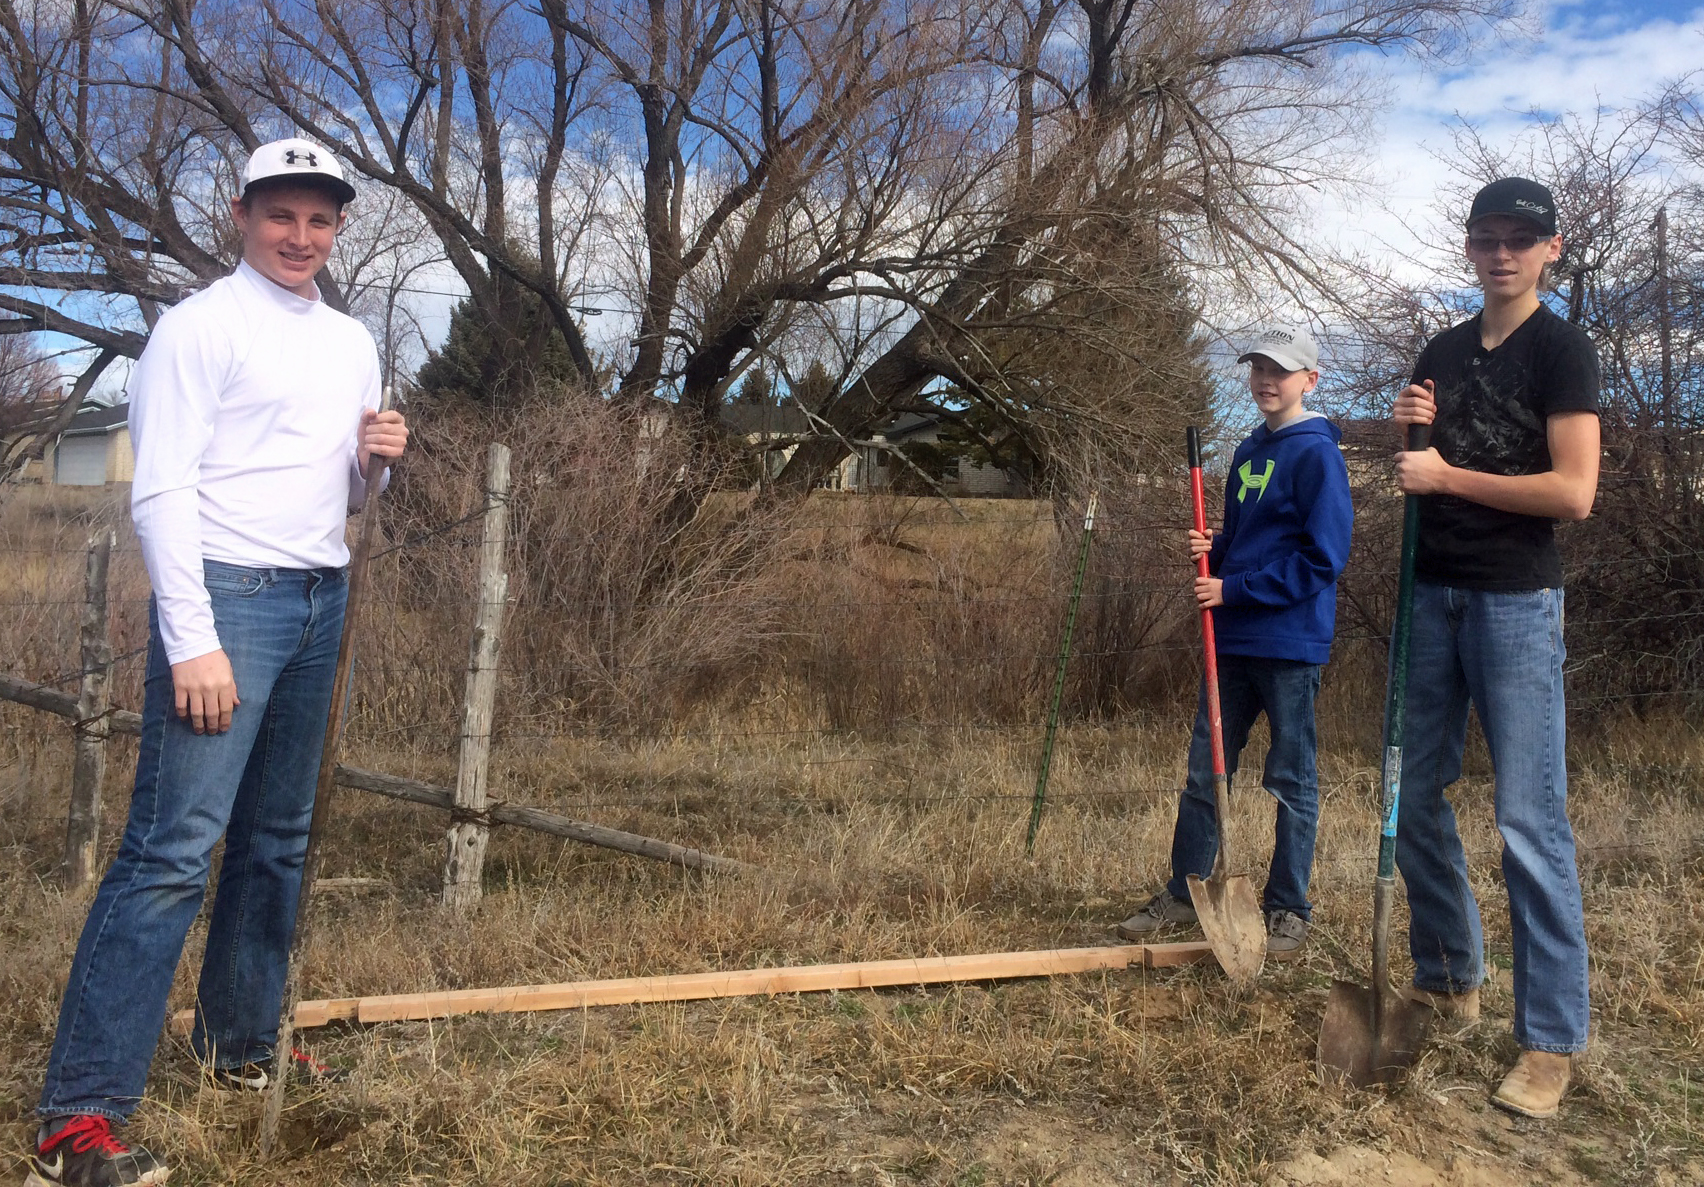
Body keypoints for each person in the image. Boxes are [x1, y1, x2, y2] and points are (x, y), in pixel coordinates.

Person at [30, 137, 407, 1187]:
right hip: (228, 599)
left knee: (277, 838)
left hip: (319, 591)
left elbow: (346, 498)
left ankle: (238, 1047)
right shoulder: (197, 329)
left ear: (338, 228)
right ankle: (78, 1121)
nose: (300, 236)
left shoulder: (352, 341)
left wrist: (378, 466)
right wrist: (190, 636)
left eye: (319, 219)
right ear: (241, 215)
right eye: (281, 215)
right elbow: (163, 491)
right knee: (171, 850)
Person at [1391, 177, 1599, 1120]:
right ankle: (1447, 976)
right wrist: (1409, 436)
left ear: (1551, 249)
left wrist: (1446, 473)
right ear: (1469, 248)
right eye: (1488, 237)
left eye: (1523, 238)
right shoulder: (1442, 348)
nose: (1503, 252)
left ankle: (1549, 1041)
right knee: (1412, 794)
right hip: (1430, 594)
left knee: (1528, 818)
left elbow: (1572, 492)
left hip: (1516, 603)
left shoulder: (1563, 349)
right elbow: (1419, 470)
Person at [1118, 323, 1353, 961]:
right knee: (1206, 772)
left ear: (1309, 379)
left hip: (1288, 641)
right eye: (1257, 369)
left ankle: (1288, 909)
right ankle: (1183, 890)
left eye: (1280, 371)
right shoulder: (1249, 453)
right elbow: (1250, 540)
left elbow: (1322, 559)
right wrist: (1215, 550)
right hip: (1233, 637)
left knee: (1291, 777)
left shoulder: (1317, 455)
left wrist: (1235, 587)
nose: (1266, 381)